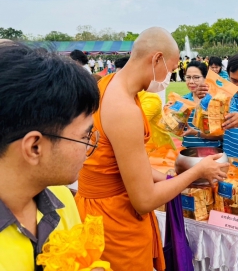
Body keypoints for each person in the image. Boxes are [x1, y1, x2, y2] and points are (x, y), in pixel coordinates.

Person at [75, 27, 228, 270]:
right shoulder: (124, 109)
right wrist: (196, 172)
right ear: (156, 59)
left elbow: (122, 167)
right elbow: (144, 201)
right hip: (115, 222)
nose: (170, 76)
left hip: (94, 212)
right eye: (171, 67)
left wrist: (173, 177)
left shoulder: (108, 84)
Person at [0, 43, 101, 269]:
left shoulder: (60, 199)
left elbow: (84, 260)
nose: (89, 148)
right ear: (35, 147)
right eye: (85, 137)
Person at [181, 61, 222, 148]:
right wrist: (169, 113)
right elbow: (176, 129)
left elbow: (221, 136)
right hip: (188, 153)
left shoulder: (215, 101)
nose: (191, 81)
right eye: (188, 77)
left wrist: (197, 133)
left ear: (205, 78)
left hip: (212, 153)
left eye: (196, 77)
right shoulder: (183, 100)